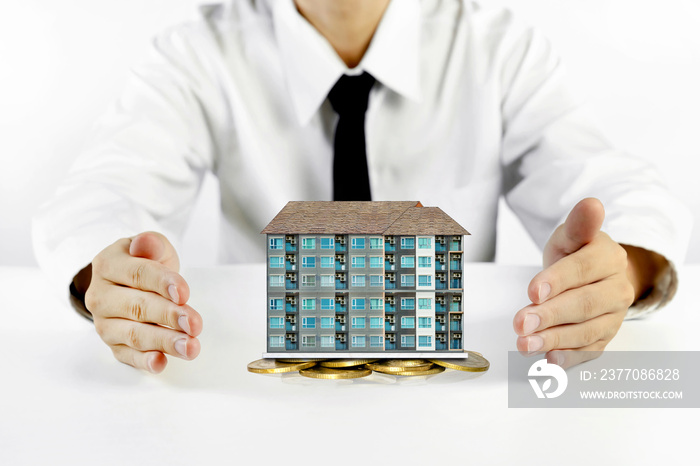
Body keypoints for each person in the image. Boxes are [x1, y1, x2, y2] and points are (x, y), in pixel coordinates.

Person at [33, 0, 691, 373]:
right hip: (265, 395)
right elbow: (97, 194)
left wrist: (624, 265)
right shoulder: (197, 52)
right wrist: (112, 277)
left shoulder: (498, 47)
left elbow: (617, 186)